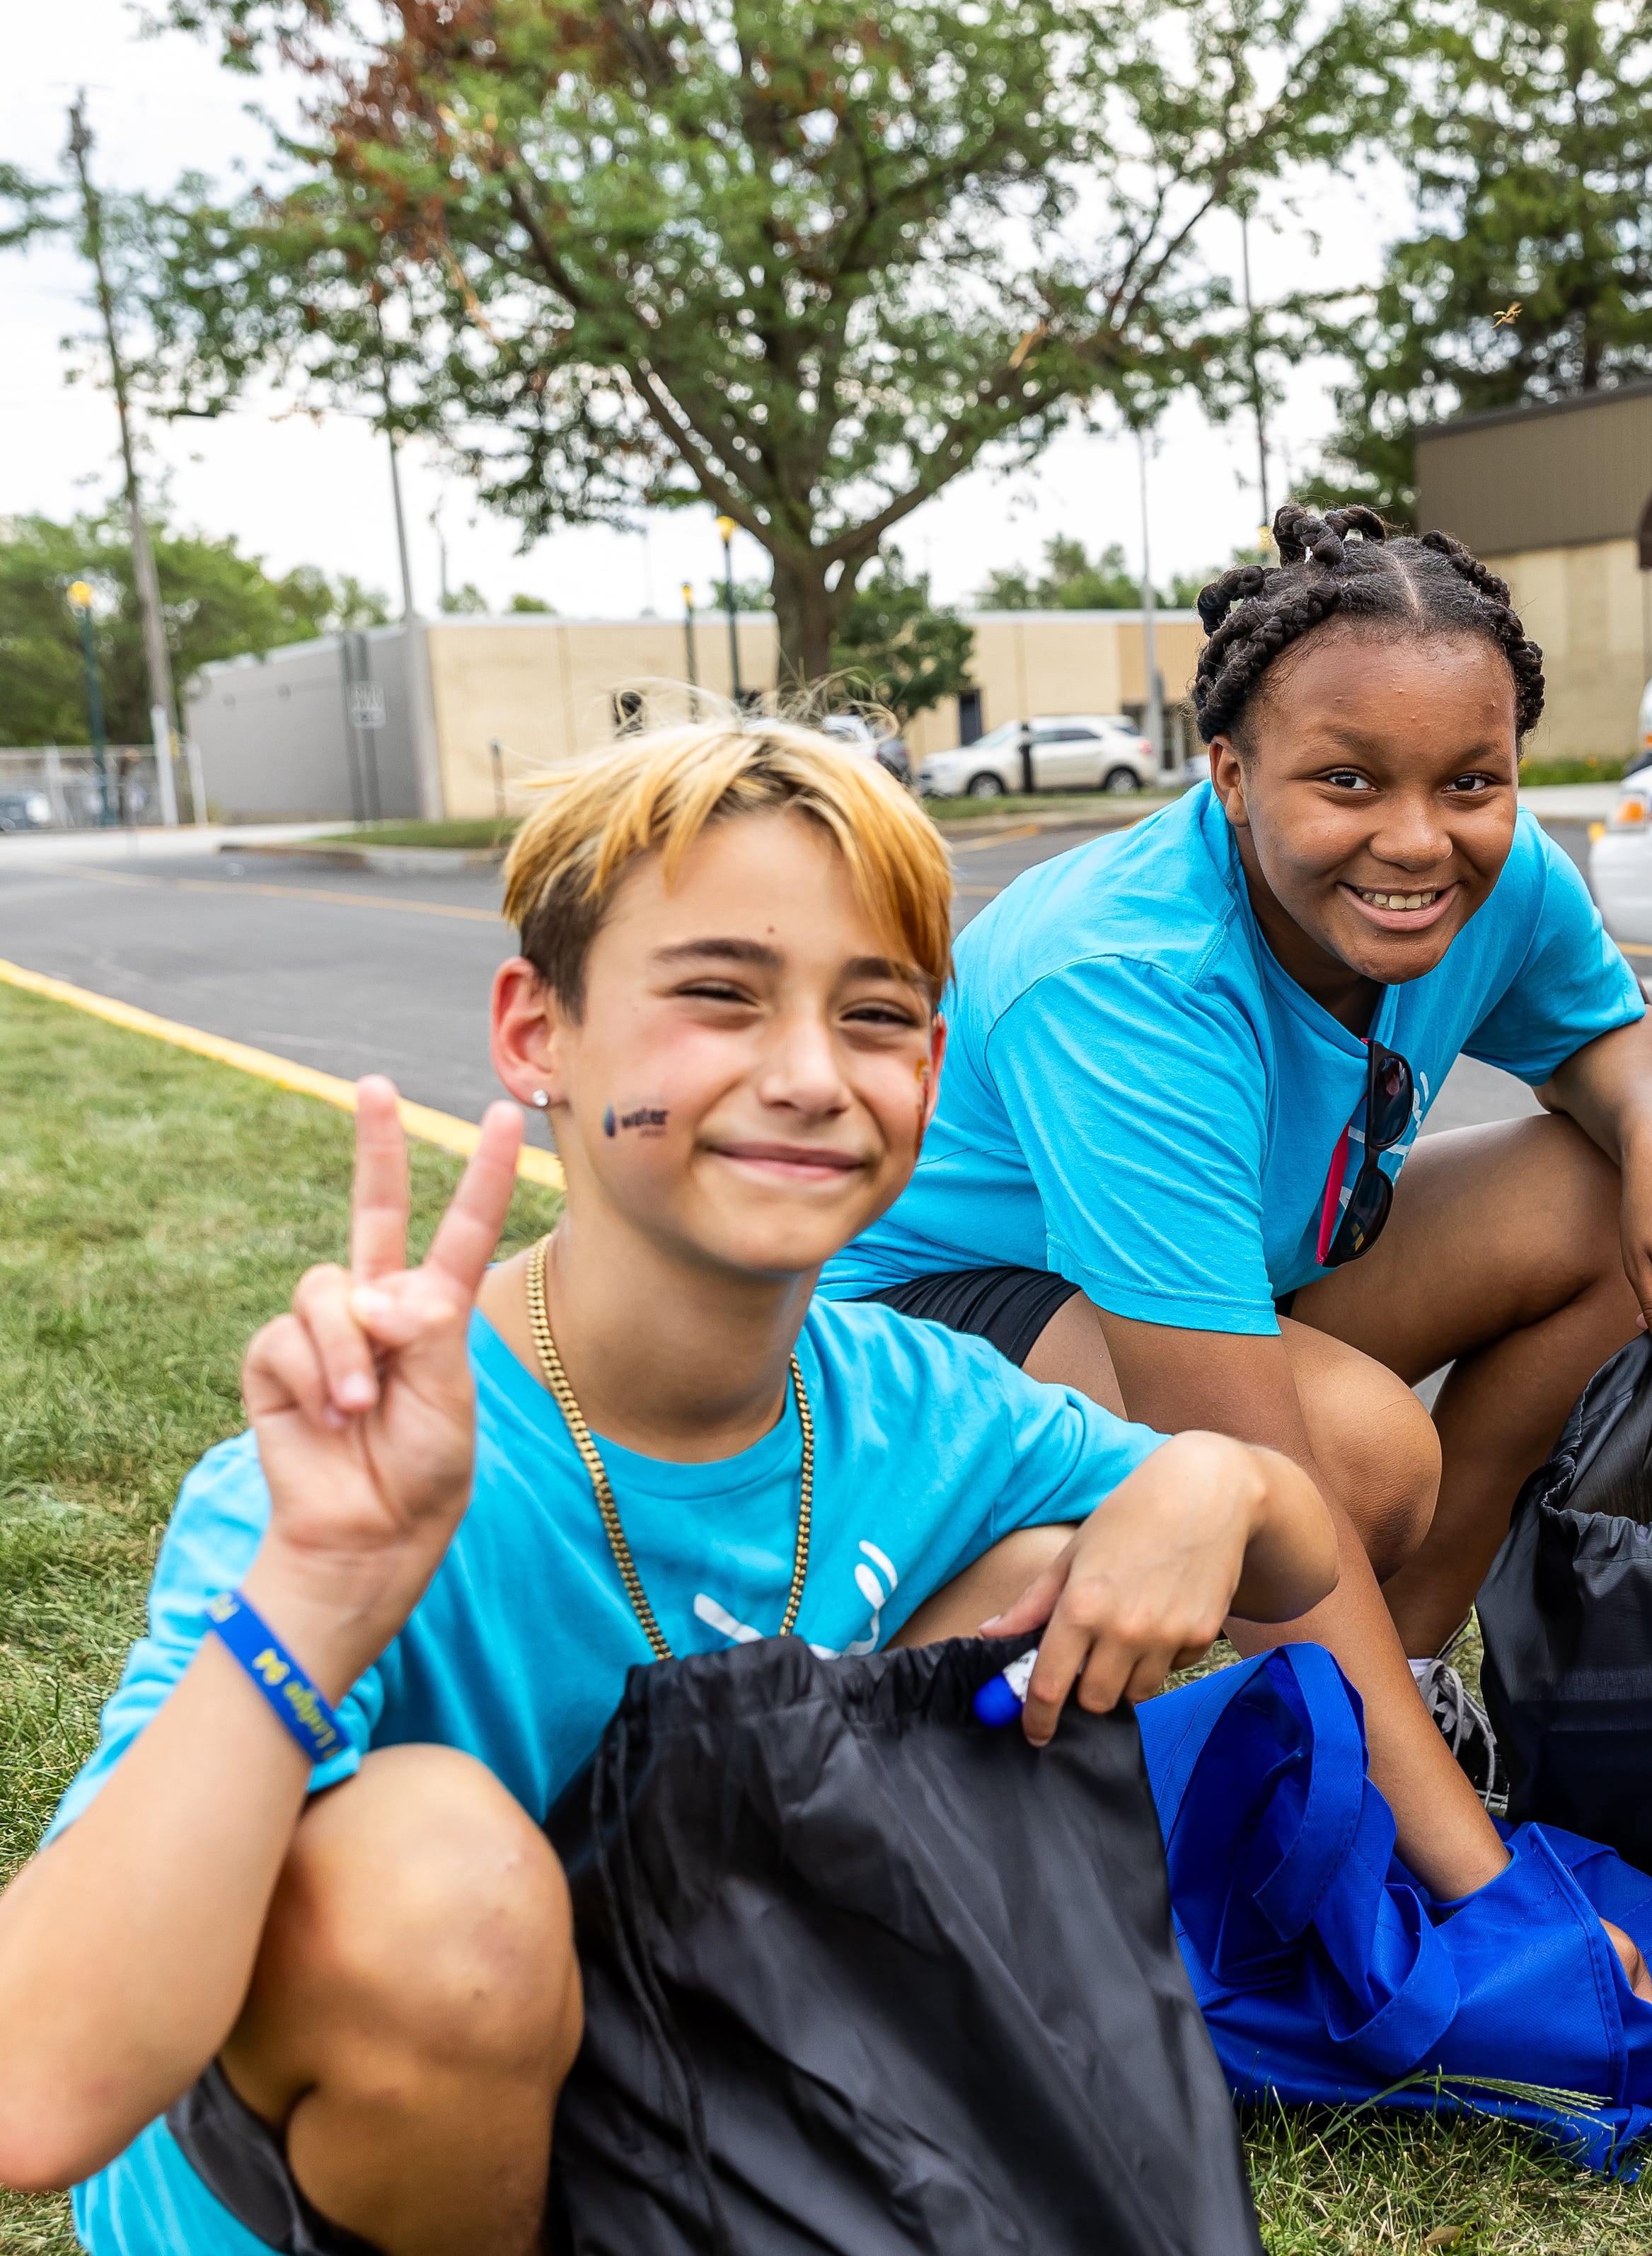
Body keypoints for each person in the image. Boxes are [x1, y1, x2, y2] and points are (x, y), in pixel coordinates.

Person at [0, 722, 1341, 2256]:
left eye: (876, 1012)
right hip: (354, 2197)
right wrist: (318, 1582)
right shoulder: (345, 1474)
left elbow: (1297, 1556)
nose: (808, 1074)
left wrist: (1212, 1476)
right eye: (717, 993)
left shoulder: (912, 1398)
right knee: (425, 1869)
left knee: (1038, 1567)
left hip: (678, 2118)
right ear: (535, 1034)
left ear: (929, 1065)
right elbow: (35, 2098)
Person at [826, 507, 1652, 1909]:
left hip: (1203, 1283)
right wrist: (1487, 1893)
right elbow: (1249, 1452)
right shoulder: (1122, 973)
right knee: (1349, 1471)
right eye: (1345, 779)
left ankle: (1401, 1685)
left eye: (1471, 779)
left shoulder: (1492, 871)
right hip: (925, 1319)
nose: (1415, 838)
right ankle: (989, 1685)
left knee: (1592, 1189)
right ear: (1230, 770)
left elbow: (1604, 1038)